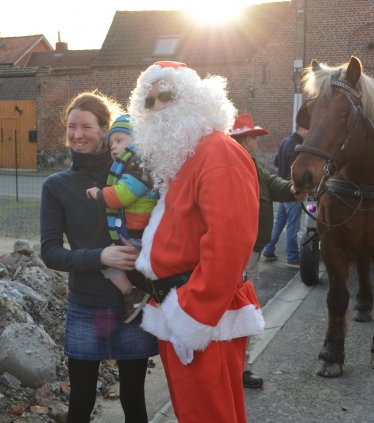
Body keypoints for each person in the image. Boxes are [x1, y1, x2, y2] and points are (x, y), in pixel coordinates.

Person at [129, 61, 264, 422]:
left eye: (167, 96)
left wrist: (192, 315)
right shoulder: (187, 157)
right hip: (179, 312)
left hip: (202, 317)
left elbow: (229, 243)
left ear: (195, 98)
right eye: (149, 101)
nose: (157, 107)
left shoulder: (218, 151)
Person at [40, 91, 158, 423]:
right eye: (71, 127)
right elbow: (50, 252)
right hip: (87, 303)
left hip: (134, 304)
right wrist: (100, 257)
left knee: (134, 398)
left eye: (86, 127)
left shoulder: (133, 177)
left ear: (105, 130)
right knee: (81, 401)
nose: (77, 135)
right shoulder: (56, 186)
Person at [230, 113, 307, 389]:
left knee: (243, 308)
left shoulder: (249, 163)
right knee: (242, 309)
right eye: (253, 138)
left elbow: (272, 185)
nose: (257, 144)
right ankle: (238, 368)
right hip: (240, 251)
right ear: (244, 140)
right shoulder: (235, 165)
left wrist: (293, 189)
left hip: (250, 250)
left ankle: (239, 365)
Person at [86, 114, 158, 323]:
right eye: (111, 144)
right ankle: (138, 296)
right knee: (109, 258)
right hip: (137, 232)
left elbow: (124, 195)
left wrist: (99, 194)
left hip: (139, 233)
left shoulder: (140, 165)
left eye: (119, 140)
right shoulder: (133, 164)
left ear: (138, 139)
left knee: (107, 260)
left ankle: (133, 294)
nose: (114, 147)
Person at [262, 124, 309, 268]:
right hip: (291, 190)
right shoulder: (297, 146)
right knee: (293, 226)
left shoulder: (285, 141)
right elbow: (297, 170)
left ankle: (268, 250)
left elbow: (276, 162)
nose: (309, 134)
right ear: (303, 129)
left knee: (279, 223)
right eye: (308, 130)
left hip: (282, 188)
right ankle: (292, 257)